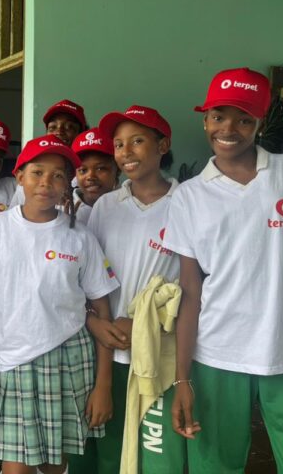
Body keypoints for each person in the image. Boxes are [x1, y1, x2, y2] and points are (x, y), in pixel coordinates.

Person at [164, 68, 283, 473]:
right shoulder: (189, 196)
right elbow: (190, 291)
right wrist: (182, 378)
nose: (228, 129)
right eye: (218, 116)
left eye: (243, 119)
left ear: (260, 122)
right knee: (214, 466)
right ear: (205, 120)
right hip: (216, 355)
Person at [0, 136, 119, 474]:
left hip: (68, 357)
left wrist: (103, 384)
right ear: (19, 176)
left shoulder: (79, 237)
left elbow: (101, 308)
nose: (47, 182)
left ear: (68, 183)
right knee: (15, 467)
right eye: (37, 173)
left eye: (58, 175)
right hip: (14, 359)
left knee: (53, 465)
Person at [76, 106, 182, 474]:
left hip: (156, 353)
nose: (126, 152)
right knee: (104, 452)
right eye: (119, 145)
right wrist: (94, 323)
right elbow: (87, 279)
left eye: (137, 141)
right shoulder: (107, 206)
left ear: (162, 146)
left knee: (153, 456)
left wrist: (143, 322)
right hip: (104, 350)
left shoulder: (185, 202)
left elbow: (194, 283)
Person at [70, 127, 119, 225]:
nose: (90, 177)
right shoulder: (62, 208)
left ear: (118, 169)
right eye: (83, 170)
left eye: (100, 168)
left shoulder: (130, 206)